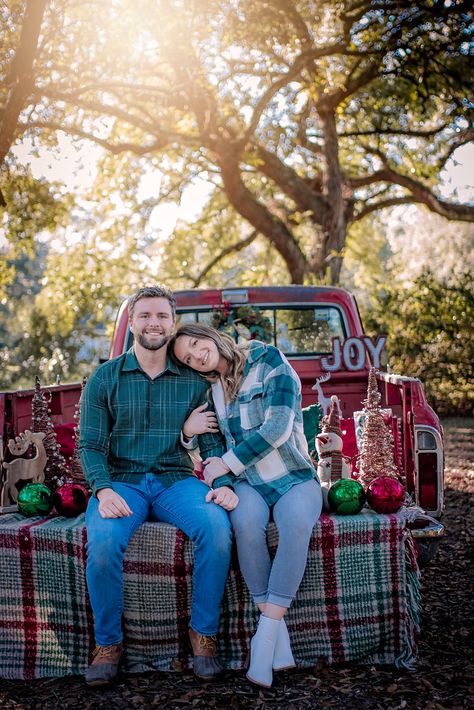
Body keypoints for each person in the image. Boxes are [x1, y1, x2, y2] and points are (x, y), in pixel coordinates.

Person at [79, 286, 238, 687]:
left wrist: (221, 482)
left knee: (217, 529)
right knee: (101, 545)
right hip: (122, 483)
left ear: (172, 322)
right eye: (145, 315)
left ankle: (203, 634)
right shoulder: (105, 378)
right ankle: (108, 644)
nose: (154, 323)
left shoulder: (193, 379)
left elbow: (213, 442)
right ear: (131, 322)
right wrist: (102, 490)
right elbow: (91, 445)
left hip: (175, 480)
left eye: (162, 316)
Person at [171, 323, 322, 688]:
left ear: (207, 334)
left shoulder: (267, 359)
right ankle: (278, 636)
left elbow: (278, 428)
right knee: (245, 528)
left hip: (293, 477)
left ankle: (265, 637)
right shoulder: (209, 390)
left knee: (296, 526)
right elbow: (209, 448)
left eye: (195, 344)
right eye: (188, 359)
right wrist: (220, 480)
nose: (196, 355)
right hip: (247, 484)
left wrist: (228, 463)